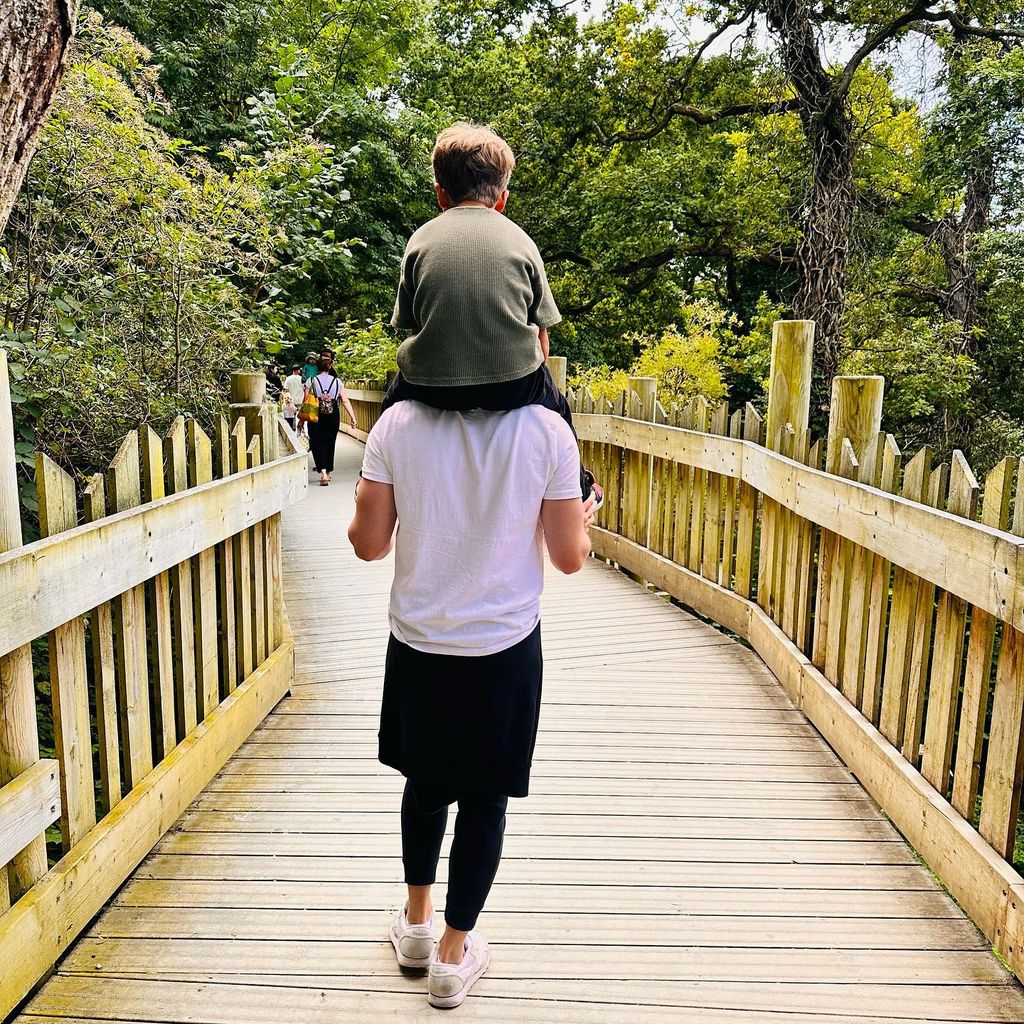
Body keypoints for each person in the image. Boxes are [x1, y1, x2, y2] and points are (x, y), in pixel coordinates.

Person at [348, 397, 595, 1009]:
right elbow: (569, 558)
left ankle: (414, 924)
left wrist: (366, 495)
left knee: (425, 785)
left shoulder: (398, 422)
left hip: (420, 642)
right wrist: (581, 518)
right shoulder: (546, 431)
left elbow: (368, 544)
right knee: (485, 801)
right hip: (504, 646)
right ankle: (452, 957)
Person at [381, 121, 600, 508]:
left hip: (432, 385)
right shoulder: (521, 241)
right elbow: (541, 331)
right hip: (512, 386)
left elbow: (410, 323)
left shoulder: (420, 241)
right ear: (502, 199)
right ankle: (581, 488)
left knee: (390, 406)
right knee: (560, 410)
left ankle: (375, 487)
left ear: (440, 195)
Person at [306, 353, 356, 485]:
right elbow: (345, 400)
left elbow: (306, 401)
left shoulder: (311, 380)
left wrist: (301, 420)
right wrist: (353, 417)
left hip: (315, 415)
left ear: (317, 367)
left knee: (317, 442)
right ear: (330, 367)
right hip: (333, 415)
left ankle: (323, 473)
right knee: (330, 442)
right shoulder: (337, 382)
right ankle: (328, 472)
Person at [282, 364, 305, 433]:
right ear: (298, 371)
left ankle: (293, 428)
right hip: (300, 400)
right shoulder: (302, 379)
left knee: (292, 415)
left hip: (291, 400)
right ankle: (301, 428)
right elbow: (305, 389)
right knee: (301, 416)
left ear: (293, 370)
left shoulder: (288, 378)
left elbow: (285, 389)